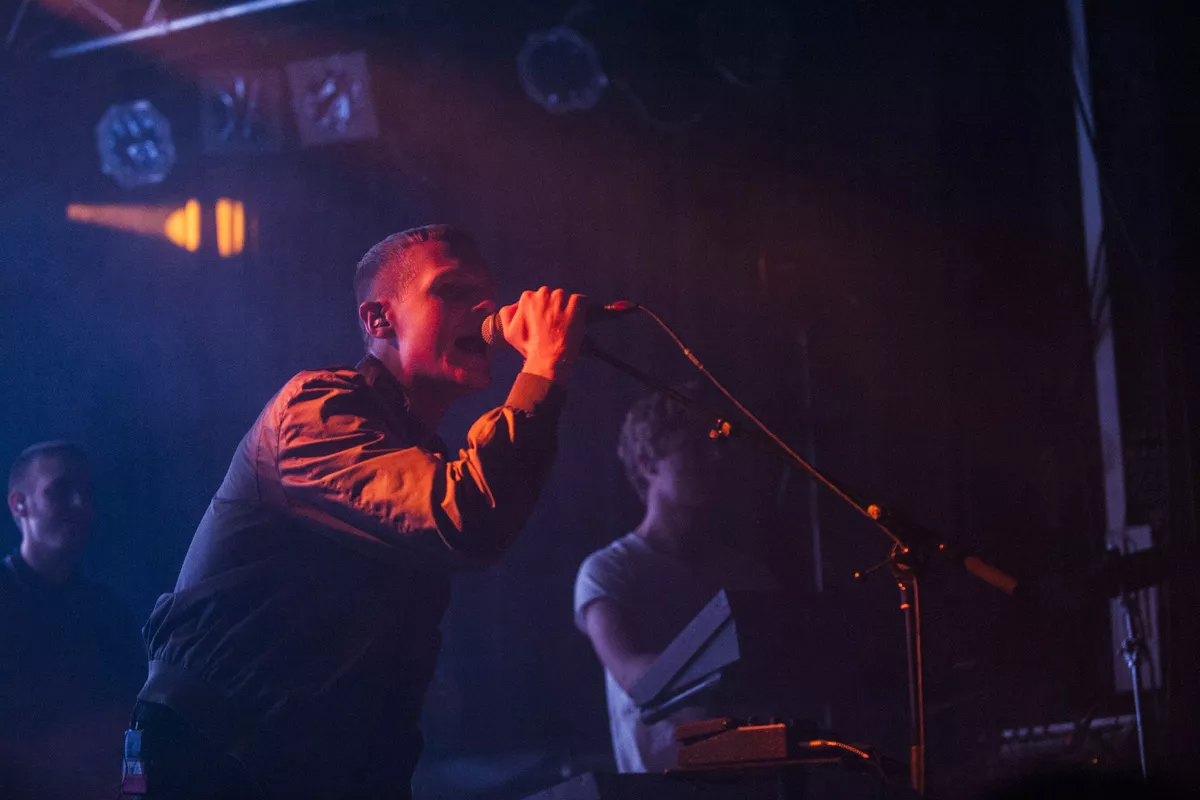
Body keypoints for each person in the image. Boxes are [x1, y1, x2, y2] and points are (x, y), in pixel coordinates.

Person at [128, 224, 586, 799]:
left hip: (313, 768)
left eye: (487, 294)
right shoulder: (316, 410)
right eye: (451, 290)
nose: (484, 308)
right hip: (214, 757)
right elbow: (464, 517)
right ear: (379, 320)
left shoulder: (420, 453)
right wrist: (543, 365)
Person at [574, 389, 777, 773]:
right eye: (694, 448)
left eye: (715, 446)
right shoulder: (606, 571)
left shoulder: (746, 572)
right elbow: (631, 675)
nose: (714, 459)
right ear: (648, 464)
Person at [1, 441, 145, 800]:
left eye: (86, 492)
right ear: (19, 504)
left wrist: (135, 791)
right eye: (60, 491)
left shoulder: (108, 612)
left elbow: (137, 726)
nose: (79, 505)